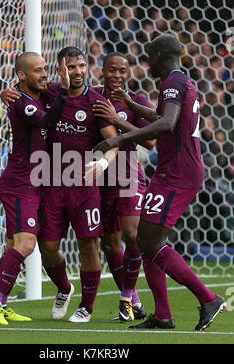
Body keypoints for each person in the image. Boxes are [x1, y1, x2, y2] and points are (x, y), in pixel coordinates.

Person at [93, 34, 226, 331]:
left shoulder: (172, 82)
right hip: (173, 169)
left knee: (149, 240)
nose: (147, 62)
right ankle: (163, 315)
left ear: (160, 55)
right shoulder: (182, 81)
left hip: (178, 172)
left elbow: (165, 125)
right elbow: (163, 117)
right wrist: (131, 106)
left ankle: (208, 299)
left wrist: (119, 137)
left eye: (149, 56)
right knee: (145, 239)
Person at [0, 52, 70, 325]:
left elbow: (75, 86)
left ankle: (1, 302)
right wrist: (64, 91)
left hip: (37, 183)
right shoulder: (22, 102)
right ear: (21, 75)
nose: (44, 74)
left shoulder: (40, 94)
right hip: (21, 183)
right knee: (26, 244)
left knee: (14, 247)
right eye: (38, 70)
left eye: (45, 69)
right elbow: (45, 122)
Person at [37, 46, 119, 323]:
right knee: (47, 247)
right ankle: (64, 288)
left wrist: (103, 163)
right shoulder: (49, 94)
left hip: (84, 186)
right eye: (71, 67)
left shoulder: (95, 102)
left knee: (88, 245)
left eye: (82, 66)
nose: (78, 72)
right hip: (51, 183)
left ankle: (86, 306)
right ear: (60, 70)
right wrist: (7, 93)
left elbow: (113, 142)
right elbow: (22, 88)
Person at [92, 52, 155, 322]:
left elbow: (150, 142)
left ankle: (126, 297)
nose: (117, 75)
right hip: (100, 176)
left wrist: (118, 120)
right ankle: (135, 302)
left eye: (122, 71)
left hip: (129, 173)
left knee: (132, 235)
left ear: (128, 73)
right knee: (109, 245)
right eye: (112, 70)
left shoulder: (135, 101)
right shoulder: (92, 98)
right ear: (102, 71)